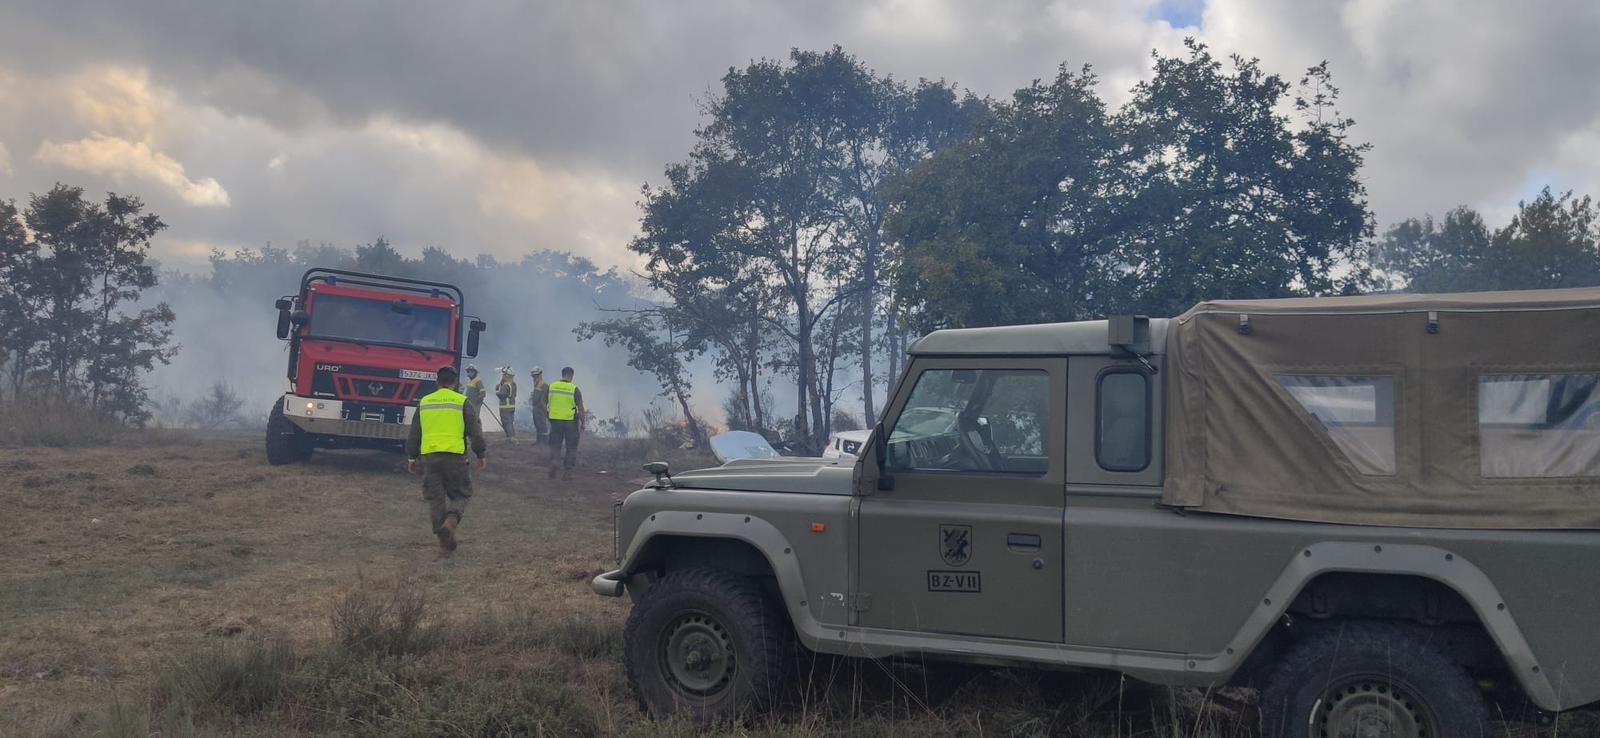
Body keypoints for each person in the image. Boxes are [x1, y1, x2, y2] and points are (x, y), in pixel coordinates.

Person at [405, 365, 487, 553]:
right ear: (455, 383)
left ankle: (442, 538)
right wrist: (481, 454)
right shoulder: (462, 401)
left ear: (437, 382)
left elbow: (415, 432)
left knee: (436, 497)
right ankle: (450, 523)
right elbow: (475, 431)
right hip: (455, 457)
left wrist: (412, 457)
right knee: (461, 493)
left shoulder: (425, 402)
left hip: (430, 457)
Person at [546, 366, 585, 480]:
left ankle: (554, 462)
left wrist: (548, 414)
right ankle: (567, 472)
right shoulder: (574, 389)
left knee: (555, 445)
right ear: (571, 376)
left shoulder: (552, 387)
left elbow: (542, 403)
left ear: (562, 374)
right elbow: (581, 408)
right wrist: (583, 422)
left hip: (555, 422)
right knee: (571, 447)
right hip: (570, 423)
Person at [528, 366, 550, 445]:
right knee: (537, 424)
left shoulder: (544, 385)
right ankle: (539, 440)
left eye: (536, 375)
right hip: (536, 408)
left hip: (541, 408)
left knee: (542, 425)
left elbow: (544, 399)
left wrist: (544, 409)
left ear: (540, 374)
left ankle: (545, 441)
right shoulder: (537, 385)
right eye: (533, 376)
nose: (534, 377)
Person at [495, 367, 518, 439]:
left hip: (505, 407)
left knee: (506, 423)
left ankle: (511, 438)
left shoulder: (505, 385)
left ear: (507, 375)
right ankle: (511, 436)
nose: (502, 376)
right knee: (510, 422)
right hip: (511, 407)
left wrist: (497, 391)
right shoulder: (513, 384)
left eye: (504, 375)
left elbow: (502, 396)